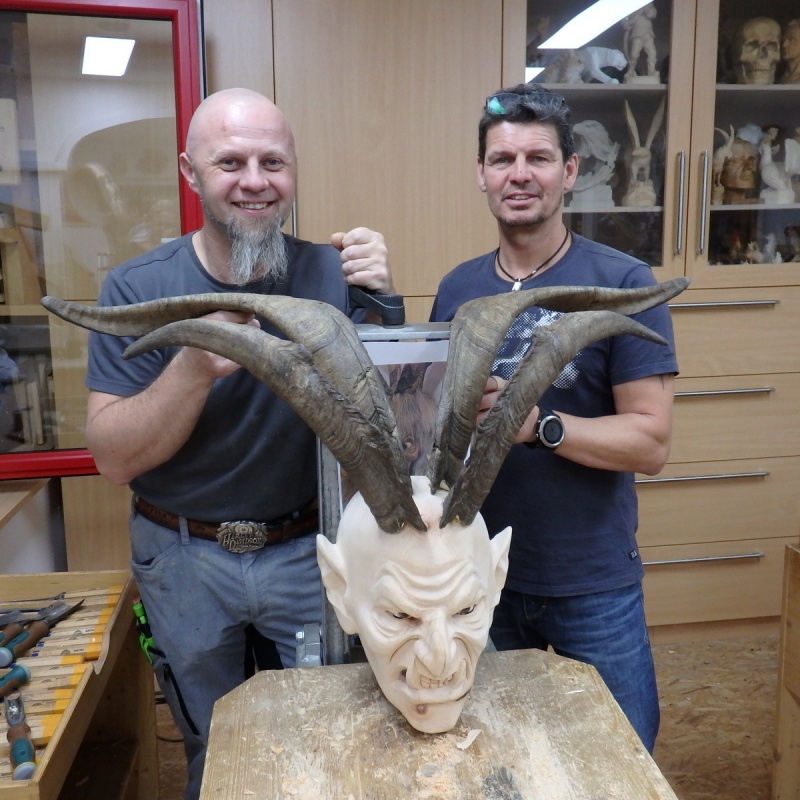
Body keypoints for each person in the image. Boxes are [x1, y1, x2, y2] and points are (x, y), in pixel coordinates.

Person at [83, 87, 394, 799]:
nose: (255, 181)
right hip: (183, 560)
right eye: (230, 162)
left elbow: (391, 430)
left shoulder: (334, 276)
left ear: (293, 170)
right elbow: (113, 457)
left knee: (328, 739)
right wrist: (193, 365)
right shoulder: (135, 288)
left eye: (272, 162)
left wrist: (383, 302)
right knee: (214, 748)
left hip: (309, 552)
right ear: (190, 173)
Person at [429, 83, 678, 753]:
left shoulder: (623, 283)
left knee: (619, 760)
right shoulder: (456, 290)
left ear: (569, 172)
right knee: (494, 760)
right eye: (502, 159)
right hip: (480, 579)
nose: (519, 174)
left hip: (591, 583)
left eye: (538, 158)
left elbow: (651, 441)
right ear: (481, 174)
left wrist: (539, 425)